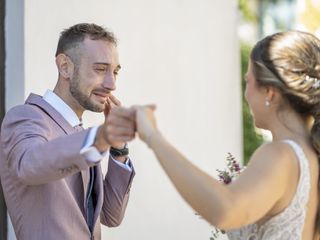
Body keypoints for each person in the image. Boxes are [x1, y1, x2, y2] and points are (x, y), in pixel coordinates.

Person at [132, 31, 320, 239]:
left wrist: (152, 136)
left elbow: (225, 210)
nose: (246, 93)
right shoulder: (312, 153)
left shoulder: (281, 155)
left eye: (248, 82)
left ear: (269, 92)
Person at [0, 23, 136, 240]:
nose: (112, 84)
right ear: (65, 67)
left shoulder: (79, 134)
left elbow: (111, 215)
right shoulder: (26, 117)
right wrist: (100, 138)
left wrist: (118, 148)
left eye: (115, 72)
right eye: (100, 69)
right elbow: (28, 165)